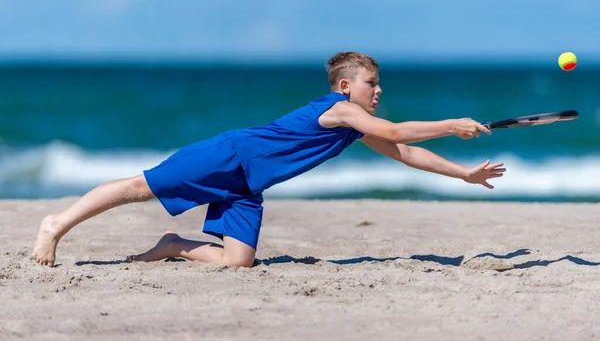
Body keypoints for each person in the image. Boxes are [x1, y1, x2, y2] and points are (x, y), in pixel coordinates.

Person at [31, 52, 505, 268]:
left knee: (237, 262)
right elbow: (400, 131)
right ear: (345, 87)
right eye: (371, 84)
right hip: (228, 155)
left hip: (247, 185)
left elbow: (403, 151)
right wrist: (452, 123)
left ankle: (174, 244)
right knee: (139, 187)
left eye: (378, 85)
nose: (377, 91)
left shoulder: (353, 124)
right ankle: (58, 223)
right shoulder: (339, 110)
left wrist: (464, 173)